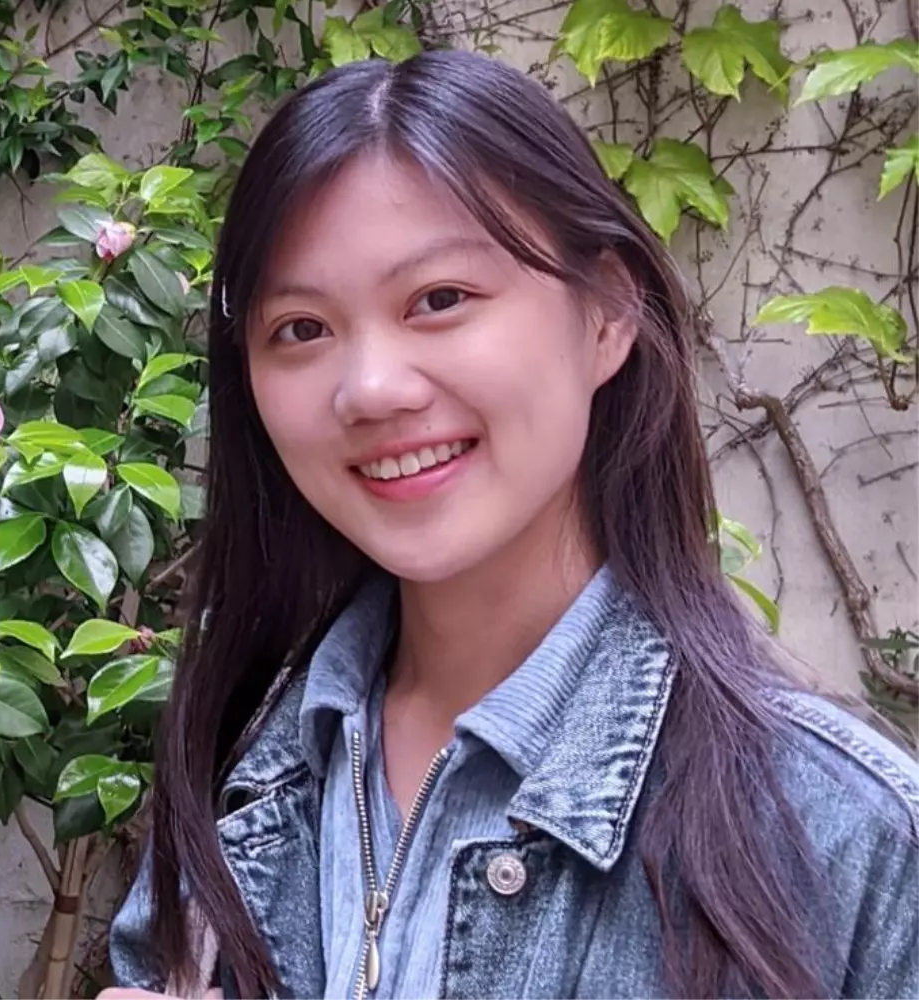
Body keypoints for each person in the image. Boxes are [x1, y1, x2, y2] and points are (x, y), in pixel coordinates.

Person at [100, 50, 918, 1000]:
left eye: (440, 300)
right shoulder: (242, 775)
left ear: (608, 314)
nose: (369, 390)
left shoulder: (842, 835)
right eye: (302, 329)